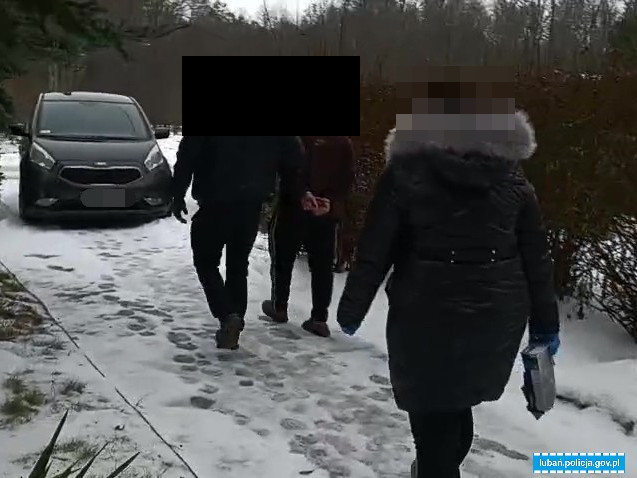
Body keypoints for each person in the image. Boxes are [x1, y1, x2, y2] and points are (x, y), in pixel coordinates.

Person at [336, 72, 560, 478]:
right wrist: (545, 326)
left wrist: (352, 306)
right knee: (455, 406)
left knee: (433, 419)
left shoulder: (406, 171)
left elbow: (375, 246)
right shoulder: (512, 177)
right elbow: (536, 258)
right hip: (494, 318)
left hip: (425, 314)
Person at [171, 136, 307, 350]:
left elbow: (187, 155)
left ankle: (228, 316)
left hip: (214, 200)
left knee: (206, 262)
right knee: (238, 265)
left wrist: (177, 194)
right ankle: (234, 321)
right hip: (250, 203)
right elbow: (292, 157)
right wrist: (299, 193)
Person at [262, 136, 355, 337]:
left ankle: (279, 305)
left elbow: (286, 166)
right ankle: (319, 318)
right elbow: (346, 178)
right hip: (324, 212)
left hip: (293, 207)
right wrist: (329, 201)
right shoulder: (342, 142)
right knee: (322, 265)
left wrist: (302, 193)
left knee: (282, 256)